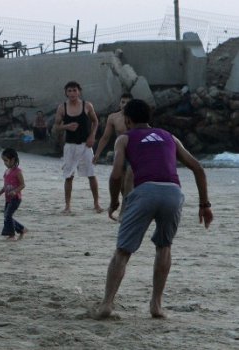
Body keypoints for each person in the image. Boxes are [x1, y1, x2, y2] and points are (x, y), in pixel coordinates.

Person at [94, 99, 213, 320]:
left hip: (145, 192)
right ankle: (156, 305)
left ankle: (107, 304)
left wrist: (114, 202)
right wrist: (204, 204)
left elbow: (117, 174)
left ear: (127, 119)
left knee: (123, 251)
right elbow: (198, 168)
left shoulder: (124, 138)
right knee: (164, 246)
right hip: (173, 193)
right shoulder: (170, 137)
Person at [53, 81, 102, 214]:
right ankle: (67, 206)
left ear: (79, 91)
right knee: (69, 176)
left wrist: (92, 136)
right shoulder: (62, 108)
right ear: (66, 93)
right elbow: (56, 127)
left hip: (85, 145)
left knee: (91, 174)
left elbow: (95, 121)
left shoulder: (87, 105)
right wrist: (66, 127)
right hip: (70, 146)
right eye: (69, 91)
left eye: (74, 90)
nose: (72, 93)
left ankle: (96, 204)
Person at [94, 93, 134, 218]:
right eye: (122, 102)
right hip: (120, 153)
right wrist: (97, 153)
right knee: (122, 185)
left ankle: (124, 210)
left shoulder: (137, 117)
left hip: (135, 153)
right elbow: (105, 137)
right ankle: (126, 206)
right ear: (119, 103)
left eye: (127, 102)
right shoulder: (113, 117)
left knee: (130, 181)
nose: (124, 105)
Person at [0, 148, 27, 241]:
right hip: (8, 199)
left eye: (6, 160)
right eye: (3, 161)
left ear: (13, 160)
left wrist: (15, 191)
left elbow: (22, 184)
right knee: (6, 216)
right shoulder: (6, 172)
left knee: (8, 215)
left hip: (16, 198)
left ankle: (12, 235)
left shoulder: (18, 171)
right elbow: (5, 186)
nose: (4, 163)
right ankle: (22, 229)